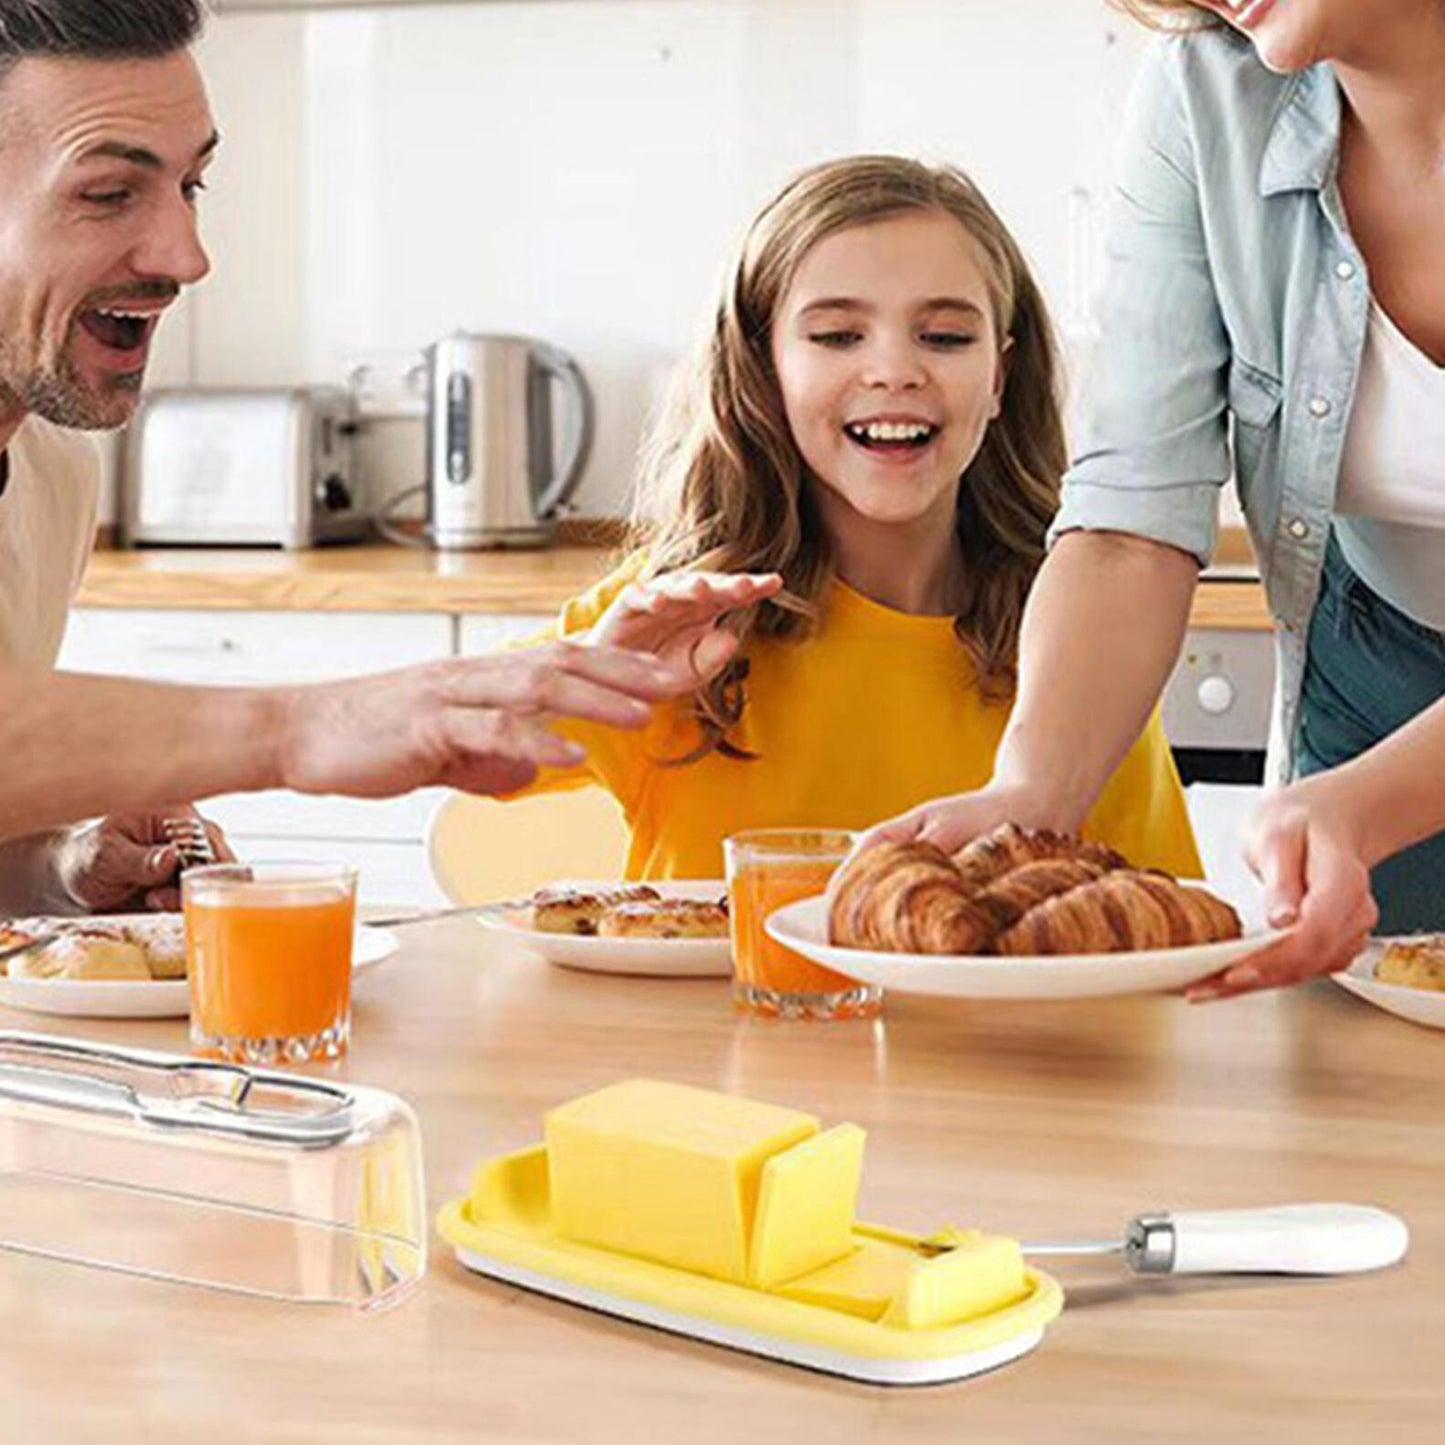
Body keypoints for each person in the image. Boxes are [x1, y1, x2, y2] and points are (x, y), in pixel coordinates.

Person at [0, 0, 708, 901]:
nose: (186, 255)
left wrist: (60, 867)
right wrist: (300, 726)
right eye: (108, 193)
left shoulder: (54, 467)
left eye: (192, 187)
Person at [867, 0, 1445, 997]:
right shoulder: (1204, 94)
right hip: (1372, 680)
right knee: (1365, 1111)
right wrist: (1030, 790)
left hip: (1379, 782)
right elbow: (1131, 512)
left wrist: (1379, 801)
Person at [491, 155, 1201, 882]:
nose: (893, 369)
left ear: (1000, 378)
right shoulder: (673, 617)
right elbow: (456, 743)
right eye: (836, 336)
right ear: (762, 372)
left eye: (945, 337)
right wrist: (596, 681)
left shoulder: (1083, 649)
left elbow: (1159, 939)